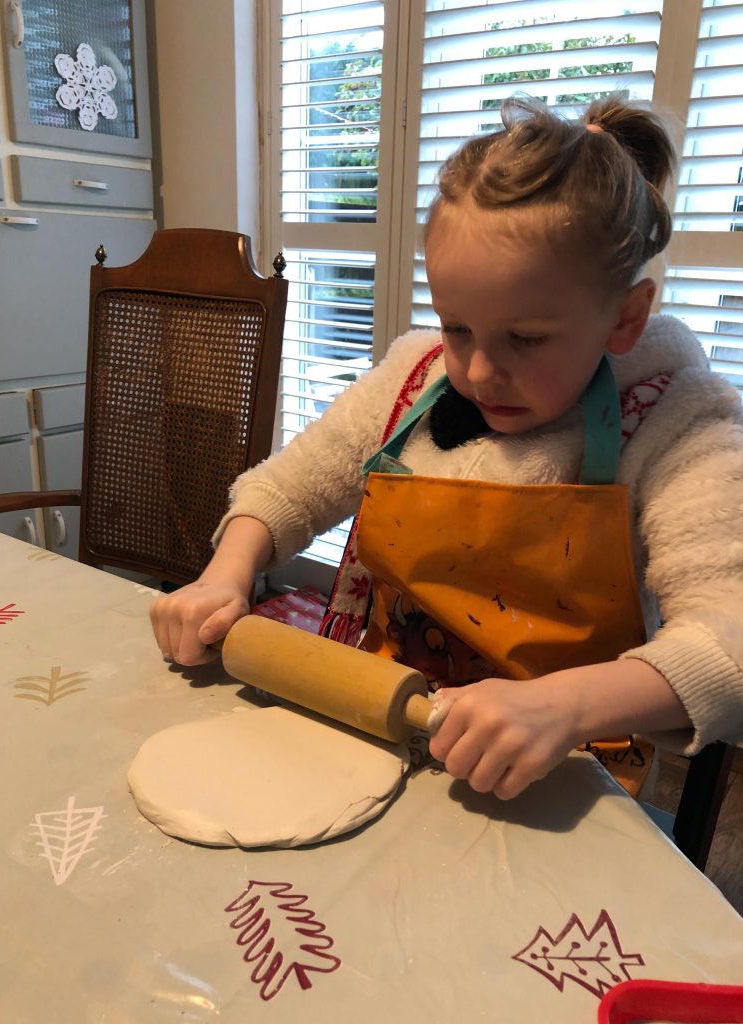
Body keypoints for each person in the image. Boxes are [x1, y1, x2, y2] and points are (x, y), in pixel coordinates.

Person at [150, 93, 743, 800]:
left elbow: (728, 643)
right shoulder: (413, 374)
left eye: (525, 339)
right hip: (368, 723)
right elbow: (288, 489)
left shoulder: (680, 426)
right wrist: (226, 574)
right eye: (456, 327)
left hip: (551, 780)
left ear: (626, 318)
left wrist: (568, 706)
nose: (478, 372)